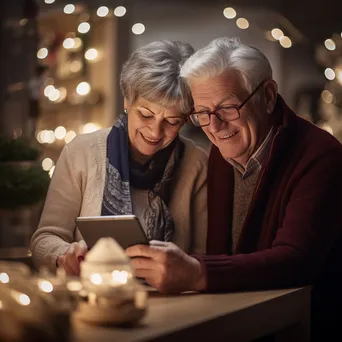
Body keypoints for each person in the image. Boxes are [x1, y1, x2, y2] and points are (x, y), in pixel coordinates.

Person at [126, 37, 342, 340]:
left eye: (227, 108)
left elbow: (296, 261)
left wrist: (197, 272)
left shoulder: (321, 154)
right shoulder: (220, 155)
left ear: (267, 96)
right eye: (202, 113)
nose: (214, 127)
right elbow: (222, 250)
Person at [30, 40, 208, 275]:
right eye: (145, 114)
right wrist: (64, 254)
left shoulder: (196, 162)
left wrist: (181, 269)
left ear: (186, 119)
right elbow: (45, 238)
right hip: (93, 298)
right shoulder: (81, 151)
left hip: (171, 301)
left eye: (172, 122)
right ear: (127, 101)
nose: (155, 132)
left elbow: (203, 255)